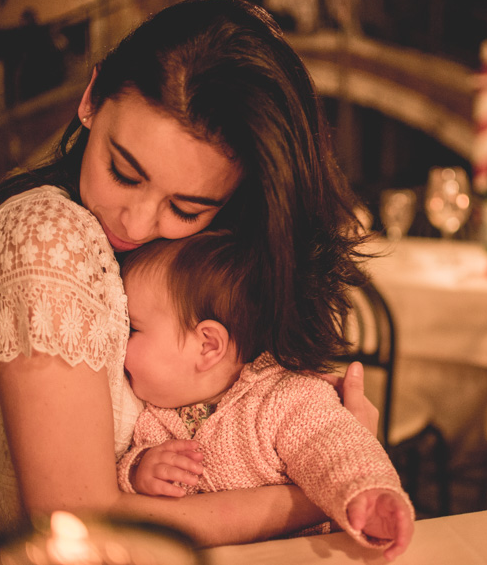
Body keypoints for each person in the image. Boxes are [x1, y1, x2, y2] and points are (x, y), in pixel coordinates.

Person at [0, 0, 376, 564]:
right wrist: (324, 491)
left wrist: (320, 440)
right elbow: (79, 520)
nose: (137, 222)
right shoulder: (46, 236)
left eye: (187, 207)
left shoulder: (186, 262)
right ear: (90, 98)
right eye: (123, 171)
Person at [116, 232, 414, 560]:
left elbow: (336, 446)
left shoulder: (285, 397)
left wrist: (368, 494)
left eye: (132, 329)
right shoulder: (151, 414)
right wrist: (138, 469)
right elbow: (126, 491)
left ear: (207, 345)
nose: (117, 343)